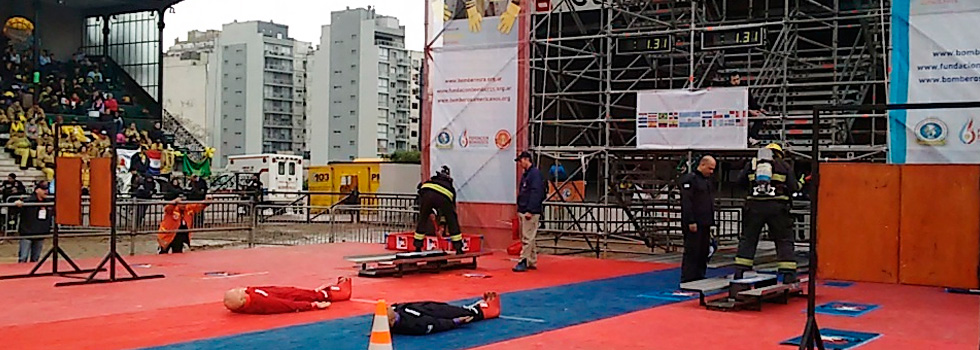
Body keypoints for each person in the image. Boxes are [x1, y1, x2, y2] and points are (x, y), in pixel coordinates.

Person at [734, 143, 799, 282]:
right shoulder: (784, 165)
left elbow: (739, 183)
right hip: (778, 208)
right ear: (779, 153)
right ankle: (788, 275)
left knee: (748, 239)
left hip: (754, 207)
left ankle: (740, 272)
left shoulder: (752, 164)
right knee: (783, 240)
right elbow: (793, 187)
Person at [388, 291, 501, 335]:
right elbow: (435, 324)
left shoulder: (395, 309)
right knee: (459, 313)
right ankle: (483, 311)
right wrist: (455, 322)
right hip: (432, 315)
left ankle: (477, 308)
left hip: (423, 308)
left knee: (444, 307)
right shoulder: (413, 325)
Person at [223, 276, 352, 315]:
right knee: (309, 294)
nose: (241, 289)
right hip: (286, 296)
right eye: (238, 291)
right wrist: (312, 305)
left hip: (284, 293)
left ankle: (325, 293)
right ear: (242, 298)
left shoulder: (251, 295)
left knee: (304, 293)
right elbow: (284, 305)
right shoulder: (261, 302)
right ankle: (335, 292)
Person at [679, 155, 717, 283]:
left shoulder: (707, 181)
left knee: (703, 251)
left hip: (705, 221)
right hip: (694, 221)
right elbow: (687, 202)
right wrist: (691, 220)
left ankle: (700, 275)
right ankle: (688, 277)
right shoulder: (691, 179)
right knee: (692, 250)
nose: (711, 172)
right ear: (702, 165)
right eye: (710, 169)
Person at [414, 165, 463, 254]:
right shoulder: (450, 188)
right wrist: (443, 224)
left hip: (426, 196)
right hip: (443, 199)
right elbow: (448, 210)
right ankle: (458, 248)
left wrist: (430, 212)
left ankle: (417, 247)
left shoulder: (429, 182)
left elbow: (420, 193)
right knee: (452, 220)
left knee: (422, 220)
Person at [513, 151, 545, 272]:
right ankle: (532, 260)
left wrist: (530, 210)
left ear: (526, 159)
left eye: (521, 161)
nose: (520, 164)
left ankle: (523, 260)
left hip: (529, 210)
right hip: (524, 209)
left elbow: (536, 193)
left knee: (527, 237)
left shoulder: (534, 174)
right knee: (529, 236)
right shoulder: (528, 174)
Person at [16, 182, 52, 263]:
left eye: (46, 189)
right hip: (27, 233)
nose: (46, 191)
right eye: (43, 189)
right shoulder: (28, 201)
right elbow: (16, 211)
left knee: (35, 258)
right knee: (23, 257)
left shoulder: (48, 202)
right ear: (37, 190)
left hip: (40, 233)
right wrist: (18, 204)